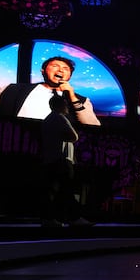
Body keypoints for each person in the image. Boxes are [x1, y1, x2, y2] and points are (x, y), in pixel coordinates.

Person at [0, 56, 101, 126]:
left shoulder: (81, 100)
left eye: (66, 69)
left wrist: (73, 98)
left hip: (56, 156)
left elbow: (93, 127)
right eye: (55, 66)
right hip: (15, 148)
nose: (60, 69)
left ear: (69, 76)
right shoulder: (13, 89)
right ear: (43, 71)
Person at [40, 94, 93, 227]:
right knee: (67, 189)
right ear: (59, 105)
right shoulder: (60, 118)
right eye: (65, 104)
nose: (68, 106)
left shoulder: (47, 120)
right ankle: (74, 218)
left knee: (53, 191)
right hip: (62, 160)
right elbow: (74, 137)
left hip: (50, 159)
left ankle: (50, 219)